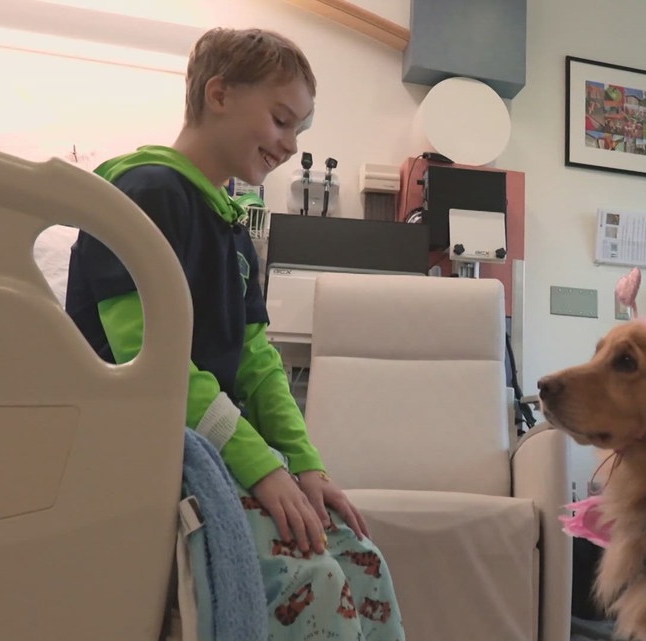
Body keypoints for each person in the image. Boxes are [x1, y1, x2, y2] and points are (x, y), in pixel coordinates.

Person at [64, 26, 404, 640]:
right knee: (313, 579)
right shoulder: (144, 193)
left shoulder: (233, 229)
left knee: (360, 556)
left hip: (206, 442)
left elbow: (256, 359)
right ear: (218, 93)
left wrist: (305, 466)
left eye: (299, 129)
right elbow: (146, 357)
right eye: (280, 120)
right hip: (139, 439)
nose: (289, 144)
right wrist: (259, 468)